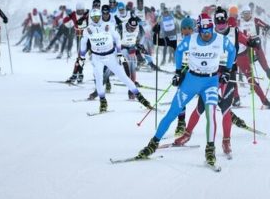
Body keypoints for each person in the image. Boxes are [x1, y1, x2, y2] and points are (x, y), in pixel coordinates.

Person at [134, 13, 236, 168]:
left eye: (209, 31)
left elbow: (232, 51)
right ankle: (153, 144)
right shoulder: (191, 39)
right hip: (191, 81)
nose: (207, 35)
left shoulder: (220, 40)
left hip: (210, 82)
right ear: (199, 29)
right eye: (204, 32)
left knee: (210, 114)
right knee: (172, 112)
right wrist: (178, 72)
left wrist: (228, 70)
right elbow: (179, 52)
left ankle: (210, 150)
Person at [78, 9, 153, 113]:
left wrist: (119, 53)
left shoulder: (108, 25)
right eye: (93, 17)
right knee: (98, 79)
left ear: (100, 16)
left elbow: (117, 38)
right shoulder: (87, 29)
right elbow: (83, 43)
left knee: (124, 77)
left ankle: (140, 97)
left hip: (111, 56)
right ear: (91, 18)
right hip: (97, 57)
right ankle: (103, 101)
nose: (96, 19)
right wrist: (82, 57)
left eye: (97, 17)